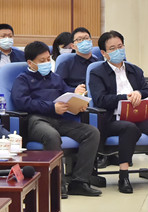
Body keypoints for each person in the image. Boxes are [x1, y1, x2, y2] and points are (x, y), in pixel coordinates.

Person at [88, 30, 148, 193]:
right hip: (113, 119)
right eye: (112, 48)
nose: (118, 51)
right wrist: (125, 97)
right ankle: (123, 176)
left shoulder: (135, 70)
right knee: (129, 128)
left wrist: (139, 93)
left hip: (138, 117)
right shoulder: (97, 73)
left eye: (120, 46)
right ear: (104, 53)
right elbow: (100, 100)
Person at [11, 41, 101, 197]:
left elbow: (67, 93)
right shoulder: (23, 79)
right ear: (30, 63)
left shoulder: (55, 77)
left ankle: (79, 181)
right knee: (52, 135)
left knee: (92, 133)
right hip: (37, 120)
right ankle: (57, 184)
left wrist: (77, 100)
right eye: (42, 60)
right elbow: (22, 102)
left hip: (60, 119)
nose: (47, 63)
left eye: (48, 59)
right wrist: (51, 107)